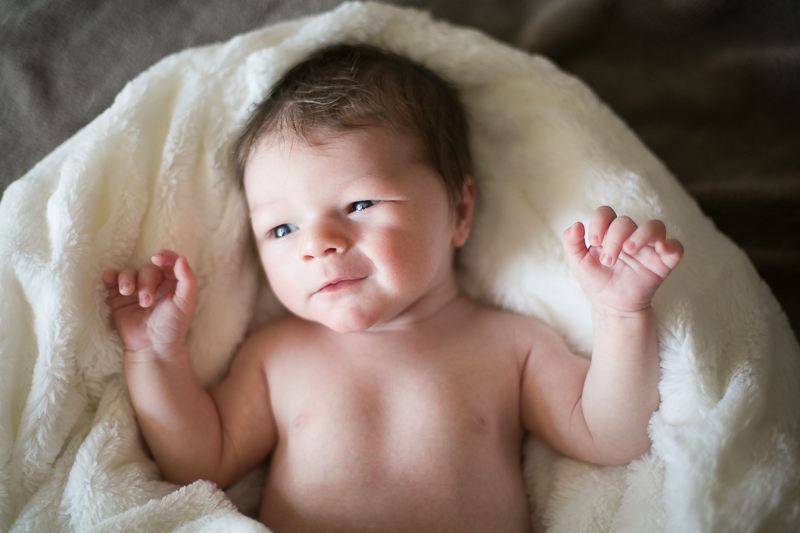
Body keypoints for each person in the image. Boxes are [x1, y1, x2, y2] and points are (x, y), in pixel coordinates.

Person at [102, 44, 683, 532]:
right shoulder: (276, 355)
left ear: (459, 211)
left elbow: (613, 437)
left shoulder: (509, 345)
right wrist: (155, 355)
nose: (319, 243)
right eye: (281, 228)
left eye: (359, 204)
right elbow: (199, 459)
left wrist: (620, 315)